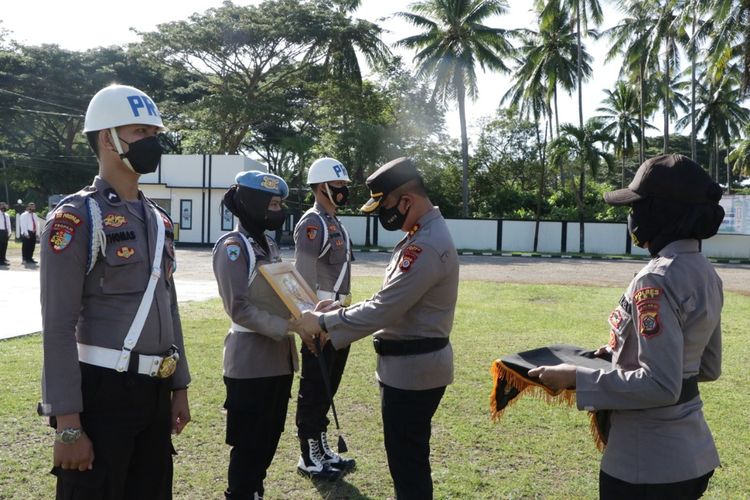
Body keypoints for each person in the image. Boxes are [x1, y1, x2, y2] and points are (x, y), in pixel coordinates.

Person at [528, 154, 725, 499]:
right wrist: (619, 356)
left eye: (636, 206)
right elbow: (706, 367)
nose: (631, 216)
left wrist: (576, 377)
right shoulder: (703, 270)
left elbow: (661, 385)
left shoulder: (657, 278)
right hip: (690, 454)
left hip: (646, 462)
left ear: (657, 212)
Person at [38, 84, 191, 499]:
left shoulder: (157, 218)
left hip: (155, 393)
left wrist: (179, 386)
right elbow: (57, 327)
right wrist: (68, 423)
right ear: (108, 138)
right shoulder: (76, 217)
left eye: (153, 132)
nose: (152, 142)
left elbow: (168, 305)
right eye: (140, 132)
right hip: (102, 393)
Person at [296, 157, 459, 500]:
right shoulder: (421, 234)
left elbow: (385, 308)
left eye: (384, 205)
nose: (384, 215)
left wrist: (325, 321)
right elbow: (392, 298)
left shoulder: (425, 244)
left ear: (406, 201)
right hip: (408, 369)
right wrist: (341, 309)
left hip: (412, 373)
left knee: (408, 467)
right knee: (407, 462)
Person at [213, 170, 331, 499]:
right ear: (253, 203)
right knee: (249, 446)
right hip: (250, 362)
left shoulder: (266, 243)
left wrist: (309, 310)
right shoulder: (234, 248)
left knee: (268, 439)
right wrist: (290, 326)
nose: (279, 210)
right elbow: (238, 308)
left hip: (279, 360)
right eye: (273, 203)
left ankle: (254, 492)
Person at [293, 157, 356, 478]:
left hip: (339, 319)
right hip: (321, 321)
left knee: (329, 387)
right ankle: (308, 453)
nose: (344, 192)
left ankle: (322, 444)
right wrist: (313, 322)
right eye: (338, 187)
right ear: (321, 188)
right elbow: (302, 280)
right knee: (315, 387)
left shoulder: (336, 222)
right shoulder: (312, 223)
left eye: (345, 187)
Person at [0, 201, 10, 266]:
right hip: (0, 231)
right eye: (2, 205)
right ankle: (1, 261)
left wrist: (9, 232)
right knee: (0, 246)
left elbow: (8, 224)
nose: (3, 207)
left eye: (4, 206)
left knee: (4, 246)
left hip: (5, 232)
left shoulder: (7, 215)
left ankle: (3, 258)